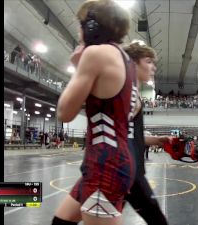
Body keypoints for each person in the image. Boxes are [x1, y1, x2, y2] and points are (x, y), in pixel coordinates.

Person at [52, 1, 136, 224]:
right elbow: (132, 108)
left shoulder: (96, 54)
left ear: (91, 27)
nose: (79, 32)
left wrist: (78, 67)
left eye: (81, 25)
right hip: (114, 159)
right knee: (60, 222)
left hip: (103, 165)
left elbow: (64, 113)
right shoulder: (127, 60)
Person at [123, 41, 170, 225]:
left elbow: (130, 135)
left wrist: (159, 140)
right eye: (149, 61)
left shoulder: (132, 94)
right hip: (128, 174)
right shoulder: (129, 95)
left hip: (124, 171)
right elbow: (116, 134)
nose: (153, 67)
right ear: (133, 64)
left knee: (65, 218)